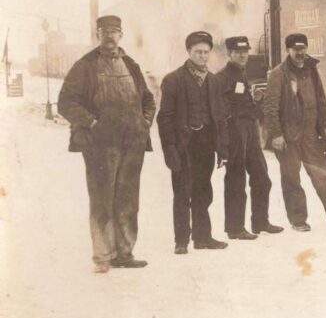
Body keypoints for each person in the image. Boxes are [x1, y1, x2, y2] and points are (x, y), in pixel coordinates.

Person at [58, 15, 156, 273]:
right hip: (100, 146)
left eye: (115, 31)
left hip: (132, 143)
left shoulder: (131, 65)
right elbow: (66, 102)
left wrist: (145, 122)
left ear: (121, 34)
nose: (110, 36)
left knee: (128, 199)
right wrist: (91, 123)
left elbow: (148, 99)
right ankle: (103, 257)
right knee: (102, 199)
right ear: (97, 35)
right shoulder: (85, 66)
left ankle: (124, 253)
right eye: (105, 32)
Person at [263, 33, 326, 231]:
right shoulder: (278, 74)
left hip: (310, 136)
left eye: (303, 48)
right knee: (292, 179)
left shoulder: (311, 69)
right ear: (288, 50)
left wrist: (325, 125)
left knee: (324, 176)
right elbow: (270, 106)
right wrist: (276, 134)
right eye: (295, 49)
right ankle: (298, 220)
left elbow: (321, 99)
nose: (300, 52)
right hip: (288, 137)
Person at [157, 31, 230, 254]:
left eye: (206, 52)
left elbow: (220, 117)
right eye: (198, 51)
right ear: (188, 52)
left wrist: (222, 148)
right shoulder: (173, 80)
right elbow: (165, 118)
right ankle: (181, 240)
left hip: (206, 143)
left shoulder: (214, 81)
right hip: (183, 145)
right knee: (182, 192)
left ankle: (203, 237)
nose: (202, 56)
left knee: (203, 190)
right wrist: (170, 149)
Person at [217, 36, 283, 239]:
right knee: (236, 180)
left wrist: (254, 100)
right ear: (229, 54)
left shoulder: (241, 74)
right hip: (235, 131)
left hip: (250, 129)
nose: (243, 55)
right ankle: (235, 228)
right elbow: (220, 106)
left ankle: (260, 222)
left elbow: (241, 100)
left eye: (245, 51)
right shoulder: (223, 77)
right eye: (238, 52)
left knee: (262, 177)